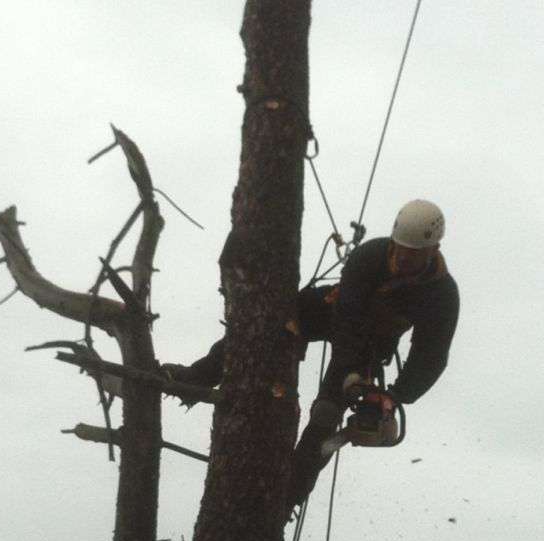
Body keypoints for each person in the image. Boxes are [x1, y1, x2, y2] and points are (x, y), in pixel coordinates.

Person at [163, 199, 460, 513]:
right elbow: (347, 316)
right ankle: (195, 378)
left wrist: (395, 395)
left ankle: (284, 499)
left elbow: (430, 357)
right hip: (333, 312)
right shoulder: (370, 256)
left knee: (326, 417)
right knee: (271, 322)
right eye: (400, 250)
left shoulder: (441, 296)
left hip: (371, 345)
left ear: (434, 249)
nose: (403, 259)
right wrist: (349, 371)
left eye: (413, 254)